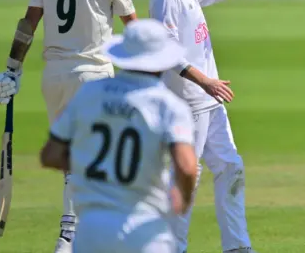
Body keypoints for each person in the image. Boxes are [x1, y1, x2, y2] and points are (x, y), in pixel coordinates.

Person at [0, 0, 138, 253]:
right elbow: (134, 28)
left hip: (54, 77)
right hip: (95, 74)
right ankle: (73, 235)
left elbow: (28, 24)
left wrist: (13, 68)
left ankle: (79, 232)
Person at [149, 0, 277, 253]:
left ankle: (237, 246)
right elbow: (165, 52)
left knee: (230, 167)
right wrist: (205, 81)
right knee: (185, 179)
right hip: (188, 104)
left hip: (209, 103)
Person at [39, 19, 199, 253]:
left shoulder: (89, 93)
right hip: (144, 228)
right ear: (162, 61)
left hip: (91, 230)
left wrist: (93, 163)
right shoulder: (170, 106)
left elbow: (50, 155)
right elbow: (186, 167)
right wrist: (182, 199)